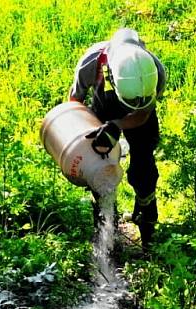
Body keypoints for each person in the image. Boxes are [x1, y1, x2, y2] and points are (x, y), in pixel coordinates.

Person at [68, 28, 166, 252]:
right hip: (102, 109)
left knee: (144, 170)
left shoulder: (155, 70)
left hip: (141, 121)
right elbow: (75, 103)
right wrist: (82, 138)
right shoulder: (91, 63)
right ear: (111, 74)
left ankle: (147, 221)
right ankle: (105, 225)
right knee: (98, 168)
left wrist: (118, 125)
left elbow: (143, 113)